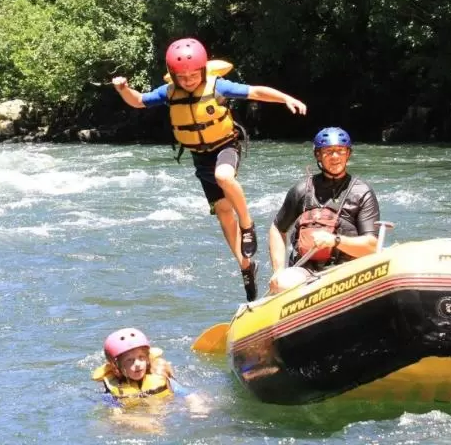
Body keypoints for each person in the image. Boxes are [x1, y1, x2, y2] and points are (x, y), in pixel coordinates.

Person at [112, 38, 307, 301]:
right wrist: (123, 88)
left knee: (224, 176)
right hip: (200, 156)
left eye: (194, 75)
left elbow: (255, 92)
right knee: (224, 214)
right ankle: (246, 265)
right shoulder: (169, 92)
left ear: (203, 70)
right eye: (183, 76)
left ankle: (248, 227)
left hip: (225, 146)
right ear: (174, 75)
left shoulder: (219, 86)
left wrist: (285, 98)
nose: (189, 80)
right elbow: (138, 101)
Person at [268, 127, 380, 290]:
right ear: (318, 155)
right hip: (307, 270)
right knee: (283, 283)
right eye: (328, 151)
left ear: (348, 154)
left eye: (340, 151)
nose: (335, 157)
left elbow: (371, 245)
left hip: (348, 269)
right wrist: (278, 270)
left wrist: (335, 241)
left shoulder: (362, 192)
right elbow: (277, 228)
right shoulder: (301, 190)